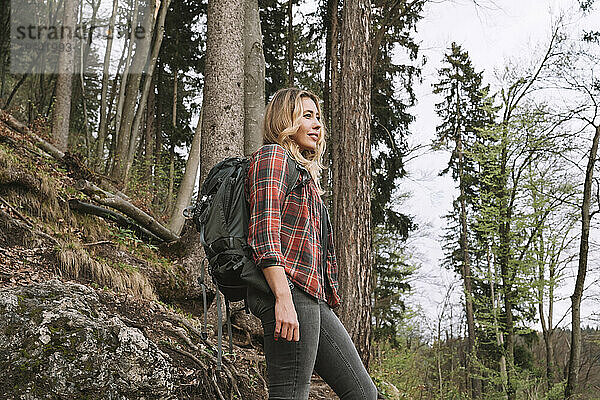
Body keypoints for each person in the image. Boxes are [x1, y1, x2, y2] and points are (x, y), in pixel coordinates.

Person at [245, 87, 378, 400]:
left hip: (310, 297)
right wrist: (282, 297)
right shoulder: (272, 157)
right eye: (307, 116)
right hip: (287, 290)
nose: (318, 124)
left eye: (318, 117)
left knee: (363, 392)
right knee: (291, 394)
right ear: (284, 121)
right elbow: (264, 231)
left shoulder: (304, 177)